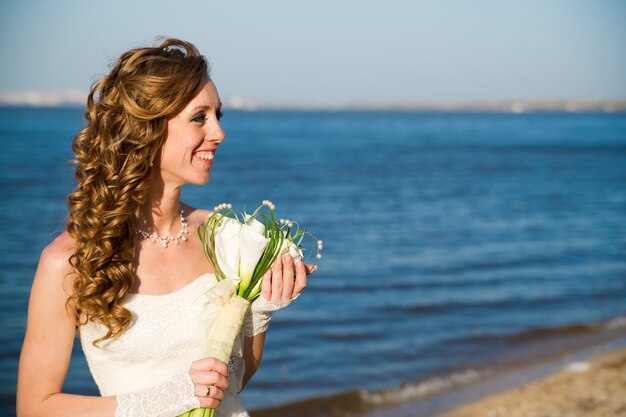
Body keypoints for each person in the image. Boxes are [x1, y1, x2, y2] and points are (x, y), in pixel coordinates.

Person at [16, 38, 314, 417]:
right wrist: (165, 398)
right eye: (199, 117)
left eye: (218, 116)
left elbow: (232, 381)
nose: (219, 133)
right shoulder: (69, 260)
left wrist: (261, 310)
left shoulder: (221, 236)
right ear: (148, 128)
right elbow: (34, 406)